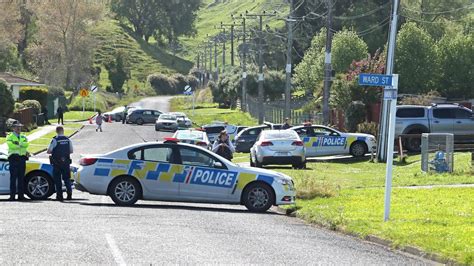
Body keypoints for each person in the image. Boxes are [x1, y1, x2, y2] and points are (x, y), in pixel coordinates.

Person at [47, 126, 73, 201]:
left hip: (57, 163)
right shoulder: (68, 139)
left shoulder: (55, 140)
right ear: (63, 131)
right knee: (67, 179)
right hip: (66, 162)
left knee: (57, 180)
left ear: (56, 131)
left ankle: (59, 196)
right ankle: (69, 195)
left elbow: (49, 151)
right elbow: (71, 151)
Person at [6, 121, 29, 201]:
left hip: (22, 159)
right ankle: (12, 196)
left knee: (21, 178)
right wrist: (21, 144)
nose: (19, 128)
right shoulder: (10, 136)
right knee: (13, 178)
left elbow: (27, 144)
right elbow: (11, 146)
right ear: (13, 128)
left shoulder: (23, 136)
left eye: (19, 126)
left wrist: (17, 144)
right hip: (13, 159)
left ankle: (21, 196)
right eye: (16, 126)